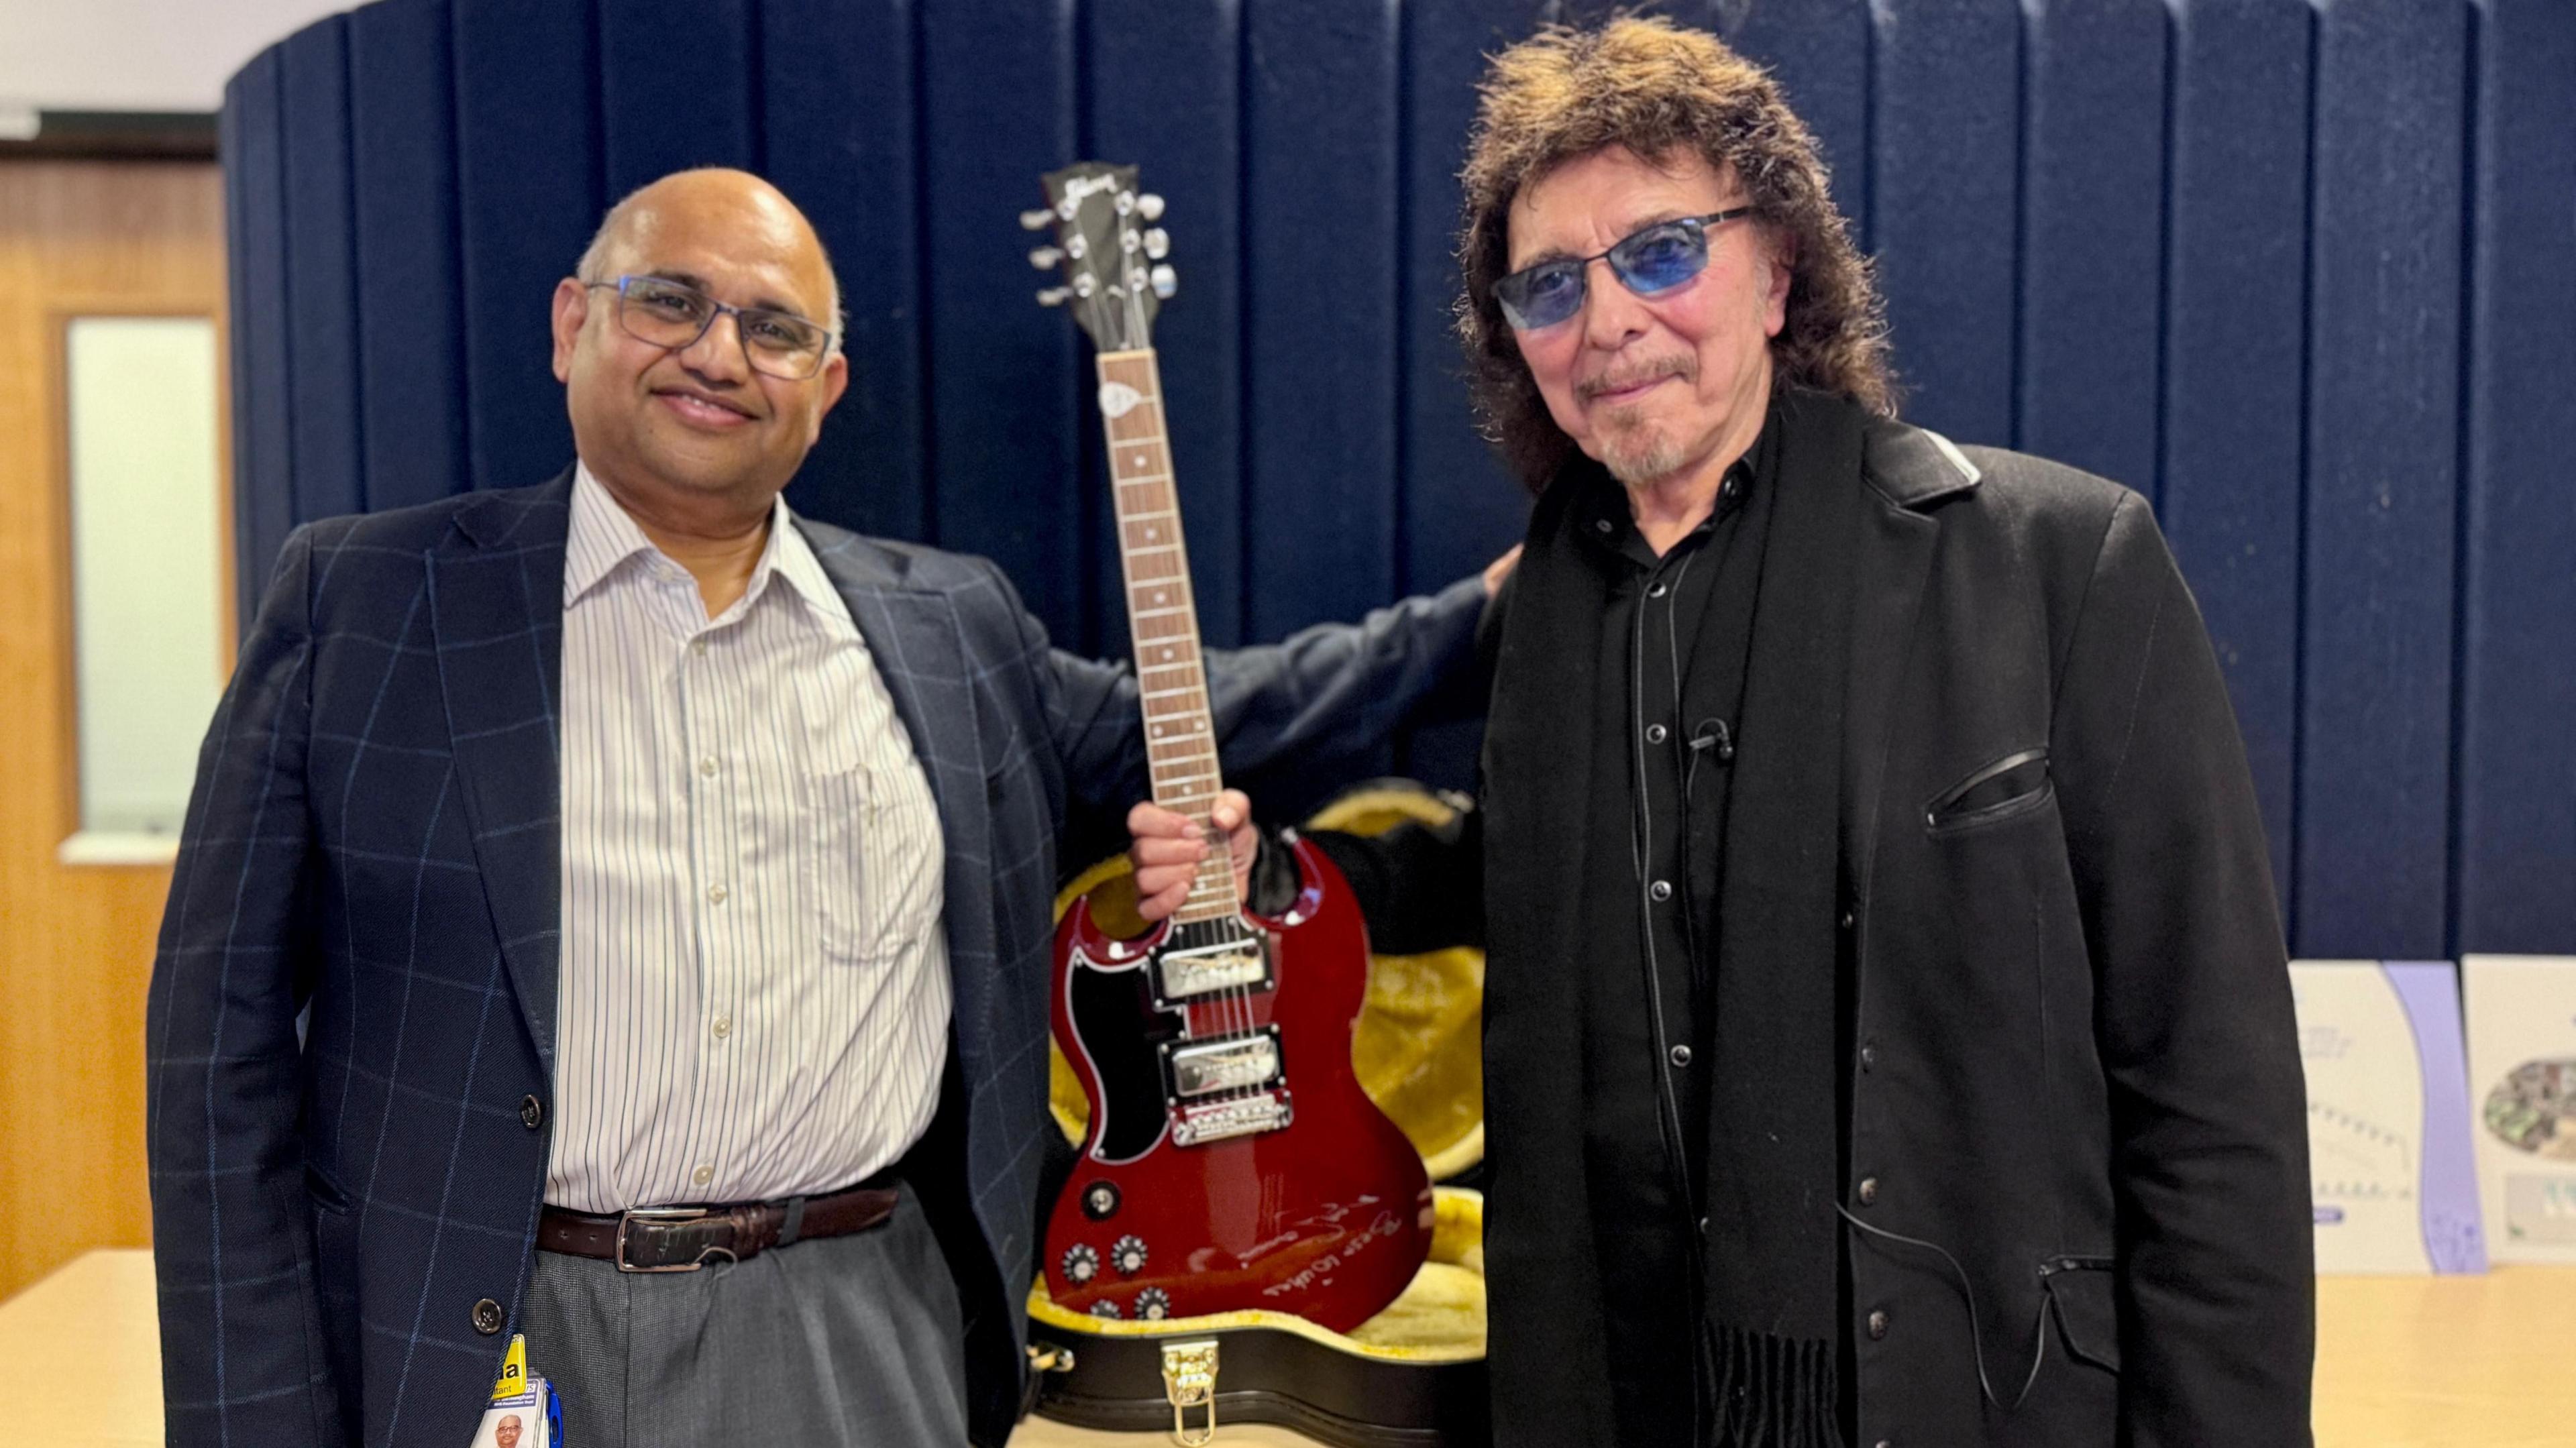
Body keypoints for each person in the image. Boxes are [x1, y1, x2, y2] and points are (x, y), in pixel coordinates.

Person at [146, 167, 1495, 1448]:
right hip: (492, 1333)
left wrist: (1483, 614)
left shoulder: (953, 627)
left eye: (776, 328)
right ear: (570, 326)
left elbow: (1221, 712)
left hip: (863, 1326)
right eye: (669, 300)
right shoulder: (366, 606)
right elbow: (219, 1062)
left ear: (828, 385)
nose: (718, 354)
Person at [1132, 17, 2312, 1447]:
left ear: (1781, 271)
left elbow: (2212, 1089)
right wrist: (1272, 882)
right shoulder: (1551, 595)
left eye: (1662, 252)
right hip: (1615, 1387)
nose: (1607, 322)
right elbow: (1529, 873)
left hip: (1961, 1394)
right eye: (1550, 285)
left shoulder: (2055, 561)